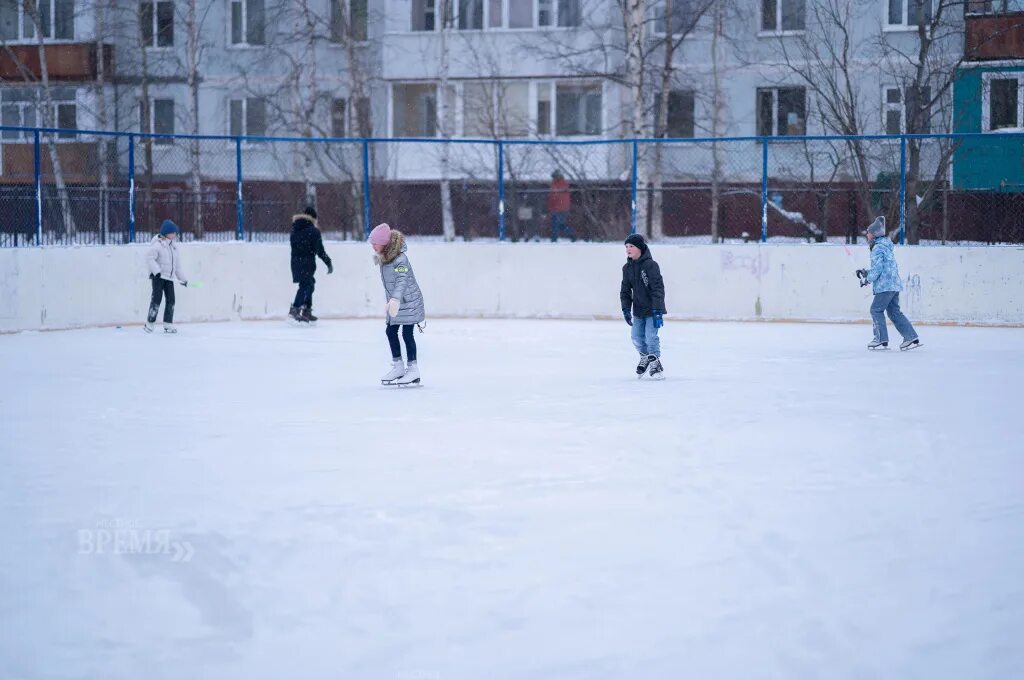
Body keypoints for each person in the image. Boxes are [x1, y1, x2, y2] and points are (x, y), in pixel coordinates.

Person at [368, 223, 425, 386]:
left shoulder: (401, 259)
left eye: (375, 243)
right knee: (390, 331)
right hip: (397, 302)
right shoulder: (386, 257)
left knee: (407, 334)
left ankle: (413, 370)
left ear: (385, 243)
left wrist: (395, 300)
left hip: (408, 302)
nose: (372, 246)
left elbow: (402, 280)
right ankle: (398, 366)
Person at [856, 217, 922, 351]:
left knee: (876, 310)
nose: (867, 235)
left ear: (874, 234)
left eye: (868, 232)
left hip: (885, 286)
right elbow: (883, 267)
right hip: (893, 284)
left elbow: (878, 269)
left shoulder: (877, 248)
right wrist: (866, 273)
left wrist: (867, 279)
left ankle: (880, 339)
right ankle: (910, 336)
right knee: (894, 312)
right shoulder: (885, 246)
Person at [620, 233, 667, 379]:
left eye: (631, 246)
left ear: (640, 248)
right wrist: (626, 309)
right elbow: (625, 291)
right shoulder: (627, 268)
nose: (628, 249)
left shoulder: (651, 265)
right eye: (626, 246)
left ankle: (655, 363)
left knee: (650, 337)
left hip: (653, 310)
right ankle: (646, 357)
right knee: (636, 337)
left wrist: (658, 310)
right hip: (638, 310)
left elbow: (658, 288)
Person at [289, 206, 333, 323]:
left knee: (309, 284)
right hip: (307, 263)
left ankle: (306, 310)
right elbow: (320, 250)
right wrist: (328, 262)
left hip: (295, 263)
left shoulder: (295, 229)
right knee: (306, 285)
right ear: (313, 218)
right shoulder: (313, 231)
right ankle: (296, 309)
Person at [145, 220, 188, 334]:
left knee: (171, 300)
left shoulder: (174, 247)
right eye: (173, 232)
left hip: (169, 278)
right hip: (158, 277)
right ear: (166, 233)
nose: (175, 234)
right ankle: (149, 324)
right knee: (156, 300)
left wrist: (182, 280)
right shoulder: (158, 245)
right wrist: (156, 272)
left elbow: (177, 267)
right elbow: (149, 258)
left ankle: (168, 324)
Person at [547, 170, 574, 242]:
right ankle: (571, 234)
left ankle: (554, 239)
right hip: (558, 208)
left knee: (555, 224)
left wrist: (553, 200)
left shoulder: (562, 184)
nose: (553, 178)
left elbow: (555, 196)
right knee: (561, 225)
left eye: (554, 177)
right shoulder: (556, 184)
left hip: (560, 208)